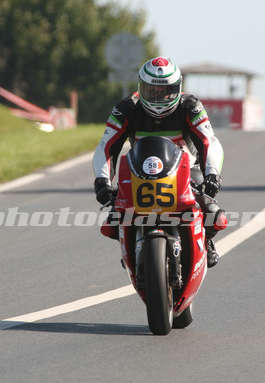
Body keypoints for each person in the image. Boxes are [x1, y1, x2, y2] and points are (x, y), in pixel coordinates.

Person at [92, 56, 225, 267]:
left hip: (187, 171)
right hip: (139, 171)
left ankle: (205, 239)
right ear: (141, 87)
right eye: (152, 90)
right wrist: (102, 181)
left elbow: (210, 141)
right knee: (113, 221)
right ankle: (131, 246)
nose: (158, 97)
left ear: (178, 88)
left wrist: (212, 174)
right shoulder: (126, 108)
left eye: (165, 91)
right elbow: (106, 146)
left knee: (213, 214)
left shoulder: (191, 106)